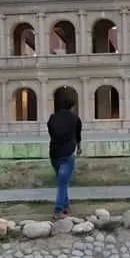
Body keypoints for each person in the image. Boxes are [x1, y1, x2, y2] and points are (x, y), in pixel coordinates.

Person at [47, 86, 82, 220]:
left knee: (62, 181)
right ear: (72, 107)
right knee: (62, 183)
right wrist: (79, 147)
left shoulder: (52, 118)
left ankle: (66, 206)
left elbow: (51, 133)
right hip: (67, 155)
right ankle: (58, 210)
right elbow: (78, 135)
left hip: (54, 154)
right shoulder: (75, 119)